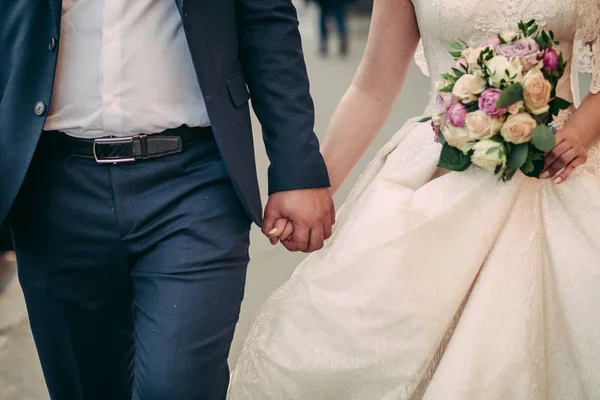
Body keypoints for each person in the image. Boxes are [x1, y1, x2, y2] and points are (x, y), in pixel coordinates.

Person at [229, 0, 600, 398]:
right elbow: (372, 89)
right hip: (436, 172)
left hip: (556, 170)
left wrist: (579, 132)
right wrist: (313, 188)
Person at [0, 1, 334, 399]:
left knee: (178, 387)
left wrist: (297, 168)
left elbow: (265, 18)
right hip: (54, 189)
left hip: (193, 181)